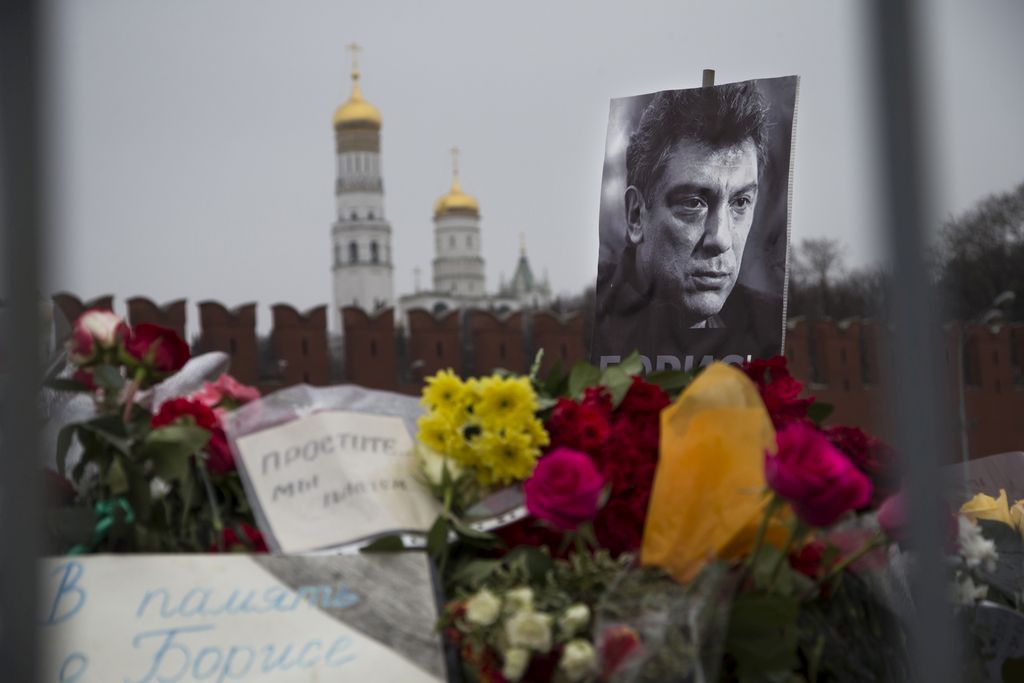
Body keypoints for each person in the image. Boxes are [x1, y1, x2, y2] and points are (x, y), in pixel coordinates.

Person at [594, 81, 783, 368]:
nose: (721, 239)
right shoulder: (587, 322)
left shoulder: (772, 327)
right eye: (694, 202)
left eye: (740, 202)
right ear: (636, 215)